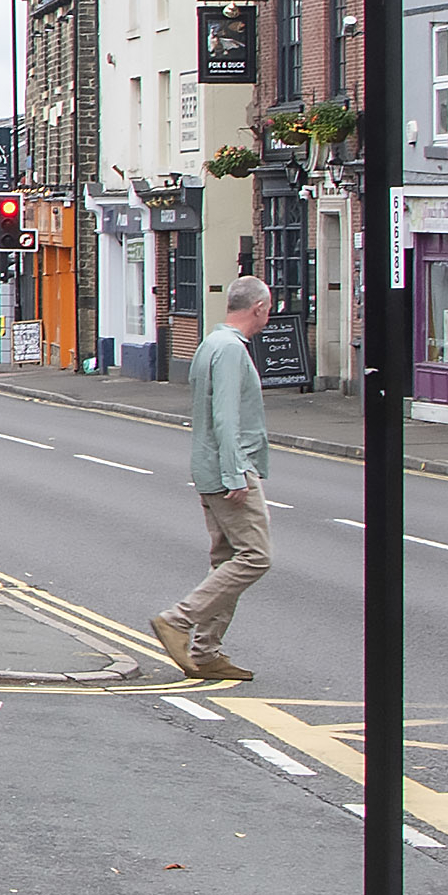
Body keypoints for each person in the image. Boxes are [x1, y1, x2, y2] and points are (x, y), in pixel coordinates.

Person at [154, 274, 272, 684]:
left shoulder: (211, 344)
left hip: (210, 468)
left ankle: (206, 652)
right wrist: (236, 472)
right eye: (268, 311)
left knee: (226, 560)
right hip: (228, 471)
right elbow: (225, 416)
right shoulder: (231, 350)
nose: (268, 319)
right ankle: (177, 620)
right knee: (256, 556)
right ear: (257, 308)